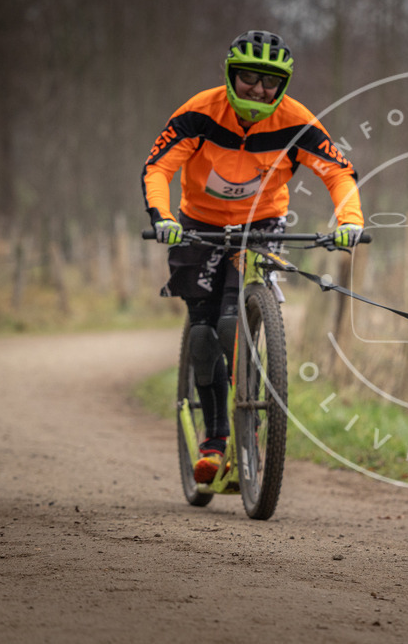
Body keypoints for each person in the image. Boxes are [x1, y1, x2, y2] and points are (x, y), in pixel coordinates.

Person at [142, 30, 363, 483]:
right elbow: (160, 166)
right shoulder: (199, 112)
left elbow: (338, 172)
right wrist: (163, 216)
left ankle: (253, 416)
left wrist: (349, 221)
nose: (257, 90)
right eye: (248, 78)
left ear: (282, 85)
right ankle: (215, 437)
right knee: (204, 335)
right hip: (197, 222)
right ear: (230, 75)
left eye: (269, 82)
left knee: (231, 323)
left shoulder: (295, 120)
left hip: (261, 222)